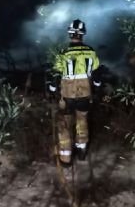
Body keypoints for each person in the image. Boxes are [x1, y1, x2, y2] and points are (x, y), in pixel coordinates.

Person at [49, 19, 100, 165]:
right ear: (83, 34)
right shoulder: (91, 52)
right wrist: (97, 88)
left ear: (70, 33)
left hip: (67, 96)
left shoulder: (64, 54)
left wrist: (52, 90)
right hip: (85, 94)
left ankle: (65, 158)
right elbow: (96, 76)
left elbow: (56, 75)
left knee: (64, 124)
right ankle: (82, 151)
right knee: (82, 121)